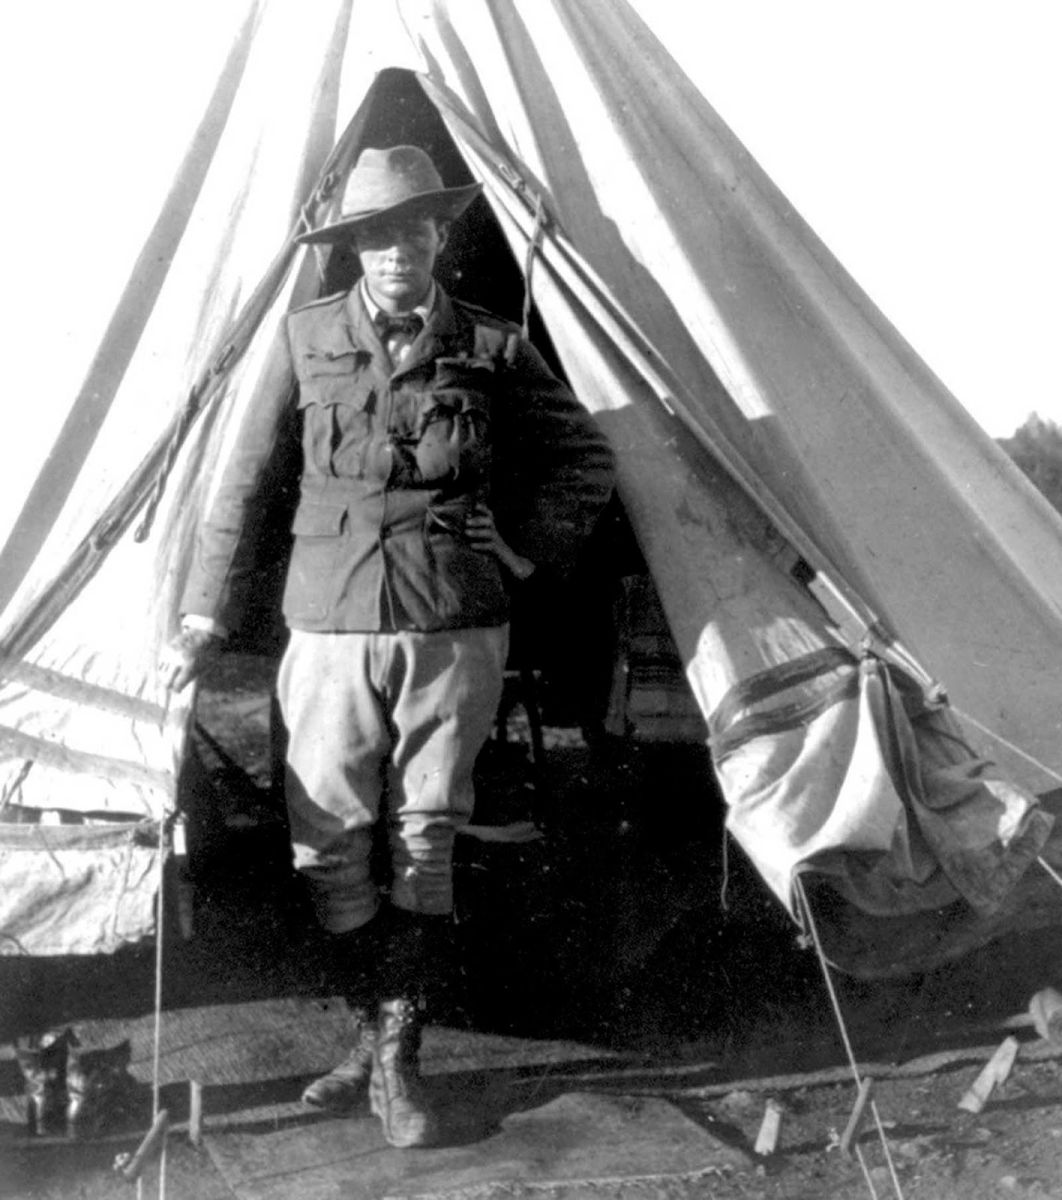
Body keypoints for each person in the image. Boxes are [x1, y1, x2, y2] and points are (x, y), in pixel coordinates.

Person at [159, 144, 615, 1148]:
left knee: (426, 835)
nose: (397, 251)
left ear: (440, 235)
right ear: (354, 248)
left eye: (414, 229)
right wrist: (201, 618)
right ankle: (372, 1035)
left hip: (454, 622)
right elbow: (241, 484)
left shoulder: (493, 346)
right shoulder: (302, 337)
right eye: (377, 235)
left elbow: (585, 455)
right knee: (327, 839)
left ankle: (400, 1062)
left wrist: (522, 550)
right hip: (329, 622)